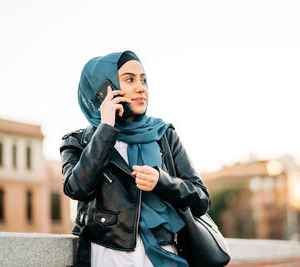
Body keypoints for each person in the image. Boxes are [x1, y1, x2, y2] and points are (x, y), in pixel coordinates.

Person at [60, 50, 210, 267]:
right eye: (129, 79)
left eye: (144, 80)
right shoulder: (77, 142)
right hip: (108, 256)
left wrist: (162, 182)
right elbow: (77, 188)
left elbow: (201, 199)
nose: (141, 87)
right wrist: (106, 129)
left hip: (165, 254)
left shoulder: (164, 134)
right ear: (104, 88)